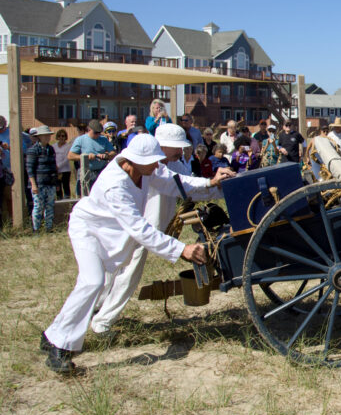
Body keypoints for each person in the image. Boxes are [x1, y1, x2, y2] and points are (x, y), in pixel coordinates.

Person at [41, 133, 232, 373]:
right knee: (92, 281)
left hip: (109, 233)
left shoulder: (145, 170)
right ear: (134, 160)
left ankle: (51, 336)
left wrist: (209, 183)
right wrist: (181, 249)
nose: (157, 165)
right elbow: (140, 230)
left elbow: (175, 182)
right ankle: (60, 346)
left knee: (94, 284)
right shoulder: (115, 185)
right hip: (89, 230)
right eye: (153, 160)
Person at [88, 125, 233, 337]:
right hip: (138, 229)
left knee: (118, 269)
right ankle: (102, 321)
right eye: (175, 149)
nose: (180, 153)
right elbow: (177, 185)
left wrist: (213, 184)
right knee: (122, 271)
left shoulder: (169, 165)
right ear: (161, 147)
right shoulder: (149, 167)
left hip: (143, 229)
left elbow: (184, 186)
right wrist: (210, 183)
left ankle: (100, 311)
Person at [69, 119, 116, 194]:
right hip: (86, 172)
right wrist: (86, 157)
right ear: (89, 129)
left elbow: (113, 153)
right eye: (95, 133)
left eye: (99, 133)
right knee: (85, 195)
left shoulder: (103, 139)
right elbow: (70, 156)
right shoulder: (80, 140)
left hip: (100, 172)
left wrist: (106, 155)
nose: (97, 135)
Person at [26, 126, 58, 232]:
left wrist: (56, 182)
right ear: (39, 137)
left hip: (50, 183)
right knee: (38, 207)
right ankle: (36, 229)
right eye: (45, 135)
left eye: (48, 135)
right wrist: (33, 184)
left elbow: (54, 167)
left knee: (50, 206)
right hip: (39, 184)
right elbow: (30, 169)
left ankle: (48, 228)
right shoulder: (33, 150)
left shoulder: (51, 149)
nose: (47, 137)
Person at [53, 129, 73, 199]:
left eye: (63, 136)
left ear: (65, 137)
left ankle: (67, 204)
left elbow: (67, 158)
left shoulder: (68, 146)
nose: (61, 138)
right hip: (56, 170)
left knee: (66, 187)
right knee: (58, 188)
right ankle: (59, 201)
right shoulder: (53, 146)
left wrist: (58, 166)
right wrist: (54, 167)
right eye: (59, 136)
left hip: (65, 170)